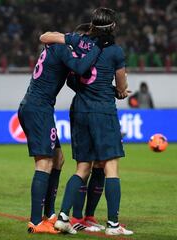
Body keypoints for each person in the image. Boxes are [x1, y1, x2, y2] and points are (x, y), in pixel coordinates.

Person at [40, 7, 133, 236]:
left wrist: (70, 38)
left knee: (82, 168)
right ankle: (113, 225)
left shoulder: (79, 43)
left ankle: (63, 217)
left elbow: (46, 37)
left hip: (80, 110)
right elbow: (121, 87)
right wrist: (119, 91)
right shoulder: (115, 52)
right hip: (102, 111)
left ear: (92, 25)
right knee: (111, 167)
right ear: (112, 27)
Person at [18, 32, 113, 234]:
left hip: (39, 107)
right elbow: (80, 67)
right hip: (38, 109)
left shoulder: (56, 49)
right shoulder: (62, 49)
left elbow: (74, 79)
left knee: (58, 159)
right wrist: (96, 48)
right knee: (44, 164)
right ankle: (36, 221)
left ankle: (50, 214)